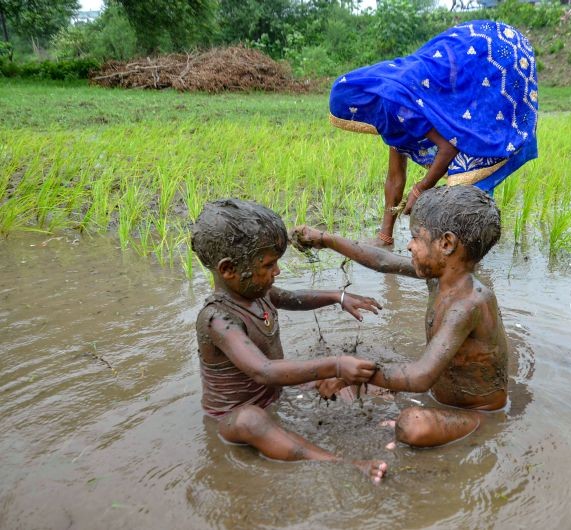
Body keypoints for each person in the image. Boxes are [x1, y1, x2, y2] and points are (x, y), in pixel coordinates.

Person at [292, 186, 508, 448]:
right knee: (328, 375)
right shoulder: (440, 278)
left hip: (478, 414)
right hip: (439, 395)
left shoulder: (468, 304)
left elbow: (420, 377)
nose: (409, 245)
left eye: (416, 237)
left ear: (447, 244)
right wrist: (324, 239)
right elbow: (382, 260)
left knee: (411, 424)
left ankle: (472, 428)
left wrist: (351, 374)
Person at [190, 198, 388, 483]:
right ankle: (338, 463)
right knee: (251, 420)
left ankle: (382, 422)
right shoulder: (217, 319)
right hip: (232, 418)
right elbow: (264, 371)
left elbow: (294, 299)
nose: (278, 271)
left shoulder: (258, 294)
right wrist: (335, 364)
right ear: (228, 270)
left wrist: (338, 296)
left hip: (275, 395)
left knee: (338, 381)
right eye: (269, 264)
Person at [329, 20, 538, 247]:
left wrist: (421, 188)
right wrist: (385, 235)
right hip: (452, 75)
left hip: (491, 62)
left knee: (469, 173)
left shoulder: (397, 105)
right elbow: (395, 177)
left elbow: (449, 147)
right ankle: (465, 251)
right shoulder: (387, 109)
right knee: (462, 181)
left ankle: (471, 255)